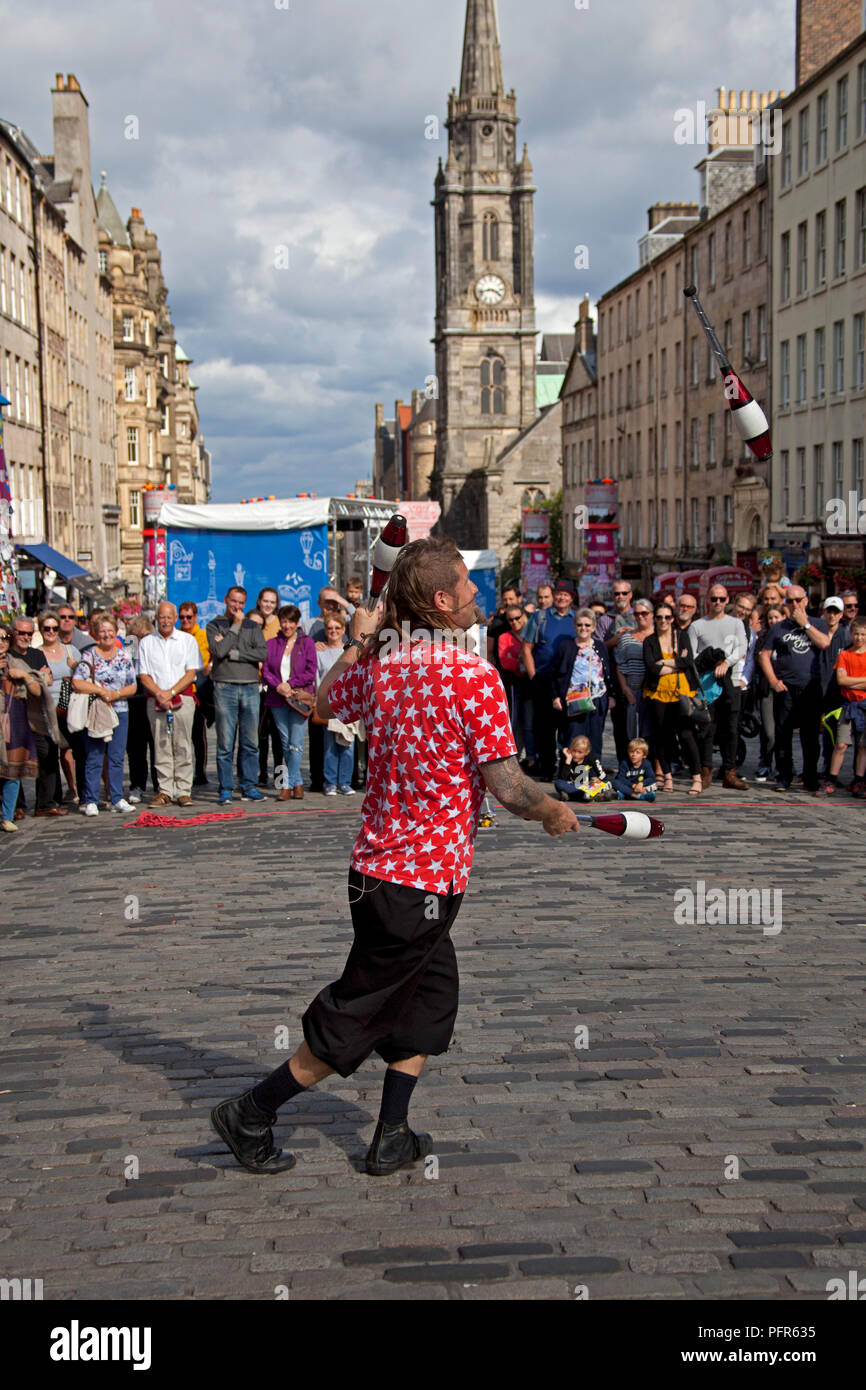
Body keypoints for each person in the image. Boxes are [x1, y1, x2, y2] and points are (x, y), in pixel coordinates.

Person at [210, 537, 579, 1177]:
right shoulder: (473, 677)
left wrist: (361, 640)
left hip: (379, 873)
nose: (476, 593)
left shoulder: (386, 664)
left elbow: (320, 705)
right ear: (441, 600)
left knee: (430, 1000)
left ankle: (392, 1133)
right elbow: (508, 785)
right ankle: (251, 1110)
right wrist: (551, 810)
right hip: (418, 884)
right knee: (357, 1013)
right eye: (466, 583)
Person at [757, 585, 830, 793]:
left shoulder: (817, 623)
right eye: (790, 601)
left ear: (806, 601)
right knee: (783, 734)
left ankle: (810, 777)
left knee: (809, 736)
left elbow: (824, 643)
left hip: (810, 688)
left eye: (798, 600)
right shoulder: (779, 628)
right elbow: (764, 655)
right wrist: (772, 680)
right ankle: (784, 776)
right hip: (786, 688)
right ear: (785, 604)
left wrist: (804, 624)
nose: (794, 604)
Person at [207, 587, 269, 805]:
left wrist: (237, 653)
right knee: (225, 743)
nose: (237, 607)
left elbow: (262, 653)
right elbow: (219, 651)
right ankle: (225, 788)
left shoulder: (253, 625)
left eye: (241, 603)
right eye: (234, 602)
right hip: (225, 687)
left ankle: (249, 785)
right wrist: (234, 627)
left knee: (250, 742)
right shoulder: (215, 624)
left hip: (251, 686)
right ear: (226, 600)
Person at [71, 611, 137, 816]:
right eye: (102, 631)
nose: (107, 635)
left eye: (110, 631)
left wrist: (115, 694)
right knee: (95, 755)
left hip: (120, 711)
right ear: (96, 634)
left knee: (116, 757)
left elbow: (132, 686)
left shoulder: (124, 656)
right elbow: (77, 681)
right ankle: (91, 799)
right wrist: (101, 692)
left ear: (116, 633)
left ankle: (117, 797)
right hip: (97, 711)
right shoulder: (89, 655)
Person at [138, 602, 201, 808]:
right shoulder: (147, 642)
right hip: (155, 700)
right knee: (161, 745)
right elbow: (144, 674)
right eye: (161, 617)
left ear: (175, 619)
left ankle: (183, 790)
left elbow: (191, 673)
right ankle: (165, 790)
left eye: (169, 617)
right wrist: (159, 693)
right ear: (156, 618)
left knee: (182, 744)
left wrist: (171, 692)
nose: (165, 621)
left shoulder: (187, 640)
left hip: (182, 698)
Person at [7, 614, 69, 818]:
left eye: (28, 633)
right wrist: (36, 676)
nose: (25, 636)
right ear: (13, 633)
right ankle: (17, 806)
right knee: (16, 759)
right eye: (21, 632)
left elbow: (45, 683)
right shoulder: (7, 656)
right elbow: (35, 681)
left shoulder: (36, 654)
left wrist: (26, 676)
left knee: (48, 753)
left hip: (37, 715)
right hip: (15, 712)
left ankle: (45, 802)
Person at [690, 585, 748, 791]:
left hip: (730, 682)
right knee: (707, 729)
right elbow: (692, 654)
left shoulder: (736, 623)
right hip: (705, 685)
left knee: (731, 729)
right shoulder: (697, 625)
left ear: (727, 600)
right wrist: (709, 660)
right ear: (708, 600)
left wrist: (726, 662)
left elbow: (742, 646)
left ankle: (730, 771)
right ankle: (706, 770)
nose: (717, 603)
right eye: (714, 599)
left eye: (722, 599)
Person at [643, 600, 704, 796]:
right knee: (662, 735)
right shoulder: (650, 641)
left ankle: (697, 777)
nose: (663, 621)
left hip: (682, 691)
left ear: (672, 619)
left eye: (667, 617)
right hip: (658, 692)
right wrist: (675, 664)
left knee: (686, 734)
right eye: (659, 617)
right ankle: (667, 775)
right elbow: (651, 667)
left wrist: (665, 662)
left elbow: (687, 662)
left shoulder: (682, 636)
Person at [521, 579, 577, 779]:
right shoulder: (540, 617)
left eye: (566, 594)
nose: (562, 597)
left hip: (569, 683)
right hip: (543, 680)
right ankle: (547, 767)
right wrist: (534, 676)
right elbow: (527, 648)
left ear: (572, 598)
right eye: (559, 593)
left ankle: (567, 769)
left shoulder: (577, 618)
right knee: (544, 728)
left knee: (568, 729)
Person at [261, 604, 317, 801]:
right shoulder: (271, 644)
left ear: (297, 622)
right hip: (278, 699)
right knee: (286, 744)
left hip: (299, 698)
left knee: (296, 744)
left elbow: (310, 671)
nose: (287, 625)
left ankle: (287, 784)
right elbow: (265, 670)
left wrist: (290, 684)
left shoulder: (307, 643)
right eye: (283, 621)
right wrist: (279, 686)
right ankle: (298, 783)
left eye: (291, 622)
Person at [551, 606, 613, 762]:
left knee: (595, 739)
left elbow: (608, 673)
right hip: (575, 700)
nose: (583, 628)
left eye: (587, 625)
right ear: (575, 626)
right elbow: (554, 673)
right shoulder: (566, 647)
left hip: (597, 699)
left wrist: (612, 696)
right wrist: (556, 697)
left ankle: (593, 775)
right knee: (574, 739)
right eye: (580, 625)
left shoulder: (600, 646)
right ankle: (574, 775)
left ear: (593, 627)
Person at [818, 617, 866, 796]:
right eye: (856, 634)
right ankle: (831, 778)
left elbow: (847, 681)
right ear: (851, 634)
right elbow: (841, 680)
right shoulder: (845, 655)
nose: (859, 638)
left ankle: (859, 780)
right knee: (841, 744)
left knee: (863, 746)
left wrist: (851, 682)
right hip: (848, 705)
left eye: (863, 634)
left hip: (864, 705)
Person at [36, 609, 79, 803]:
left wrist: (75, 666)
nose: (51, 632)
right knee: (50, 754)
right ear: (41, 629)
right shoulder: (36, 654)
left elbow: (84, 674)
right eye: (47, 628)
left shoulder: (70, 651)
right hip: (47, 709)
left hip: (71, 708)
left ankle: (76, 789)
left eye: (54, 628)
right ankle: (52, 797)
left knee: (74, 750)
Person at [1, 623, 38, 831]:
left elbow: (38, 691)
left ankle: (7, 816)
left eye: (5, 637)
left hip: (14, 719)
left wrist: (24, 676)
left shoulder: (16, 662)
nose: (1, 642)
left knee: (12, 770)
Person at [315, 611, 357, 795]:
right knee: (330, 745)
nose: (333, 631)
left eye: (337, 628)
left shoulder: (350, 650)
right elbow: (317, 678)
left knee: (347, 743)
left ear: (343, 630)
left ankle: (345, 782)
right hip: (328, 702)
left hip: (346, 702)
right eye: (330, 628)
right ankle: (330, 782)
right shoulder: (319, 652)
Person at [178, 602, 212, 786]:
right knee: (180, 735)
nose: (185, 620)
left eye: (188, 617)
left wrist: (210, 668)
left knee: (198, 735)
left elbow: (214, 656)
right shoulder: (175, 636)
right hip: (181, 689)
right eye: (182, 617)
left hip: (201, 690)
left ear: (196, 617)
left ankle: (200, 771)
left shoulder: (204, 636)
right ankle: (183, 772)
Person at [125, 616, 159, 804]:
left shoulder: (155, 650)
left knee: (157, 746)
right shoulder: (127, 651)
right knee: (136, 748)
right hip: (133, 701)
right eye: (136, 637)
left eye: (144, 637)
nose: (140, 641)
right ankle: (136, 785)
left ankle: (159, 785)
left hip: (152, 698)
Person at [497, 605, 535, 768]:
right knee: (513, 721)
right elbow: (505, 661)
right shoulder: (504, 637)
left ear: (524, 617)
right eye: (510, 620)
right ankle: (511, 757)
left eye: (517, 618)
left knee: (530, 722)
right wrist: (524, 665)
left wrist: (521, 660)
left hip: (532, 683)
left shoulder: (531, 634)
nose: (514, 622)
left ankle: (532, 757)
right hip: (514, 683)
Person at [614, 599, 654, 747]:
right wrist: (625, 689)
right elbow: (620, 664)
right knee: (633, 734)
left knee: (652, 732)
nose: (640, 617)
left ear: (651, 614)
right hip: (632, 689)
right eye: (636, 613)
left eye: (644, 613)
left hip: (653, 689)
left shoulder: (658, 636)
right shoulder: (626, 637)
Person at [252, 588, 282, 788]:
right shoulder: (253, 621)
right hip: (256, 687)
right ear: (259, 601)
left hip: (276, 687)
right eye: (265, 601)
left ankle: (280, 778)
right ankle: (261, 774)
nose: (268, 605)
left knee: (279, 738)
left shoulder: (281, 624)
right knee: (260, 737)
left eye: (272, 602)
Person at [554, 734, 612, 802]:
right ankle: (587, 796)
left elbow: (603, 777)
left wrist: (597, 780)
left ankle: (574, 796)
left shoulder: (592, 759)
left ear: (587, 752)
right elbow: (563, 779)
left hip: (587, 786)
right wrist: (568, 761)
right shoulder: (567, 758)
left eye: (579, 752)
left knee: (607, 784)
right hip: (573, 786)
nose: (576, 755)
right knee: (558, 783)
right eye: (574, 751)